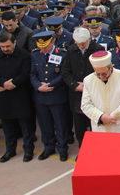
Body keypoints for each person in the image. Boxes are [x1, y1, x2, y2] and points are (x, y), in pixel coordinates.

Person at [0, 31, 34, 162]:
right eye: (2, 47)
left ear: (14, 43)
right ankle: (10, 150)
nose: (5, 49)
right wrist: (2, 83)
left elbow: (25, 73)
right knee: (8, 128)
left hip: (20, 95)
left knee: (26, 127)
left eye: (8, 46)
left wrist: (13, 83)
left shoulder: (24, 55)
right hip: (3, 97)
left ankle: (28, 151)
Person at [30, 31, 70, 161]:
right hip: (41, 96)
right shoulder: (35, 54)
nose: (43, 49)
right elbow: (32, 74)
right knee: (45, 124)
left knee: (60, 124)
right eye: (40, 46)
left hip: (57, 95)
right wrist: (38, 86)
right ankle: (48, 147)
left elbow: (64, 74)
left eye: (45, 46)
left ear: (52, 41)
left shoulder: (62, 53)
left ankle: (62, 148)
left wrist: (51, 84)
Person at [61, 27, 102, 146]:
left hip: (95, 93)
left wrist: (90, 85)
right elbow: (65, 72)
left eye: (84, 43)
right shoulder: (71, 50)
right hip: (77, 94)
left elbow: (103, 71)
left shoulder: (98, 49)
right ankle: (83, 149)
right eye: (79, 44)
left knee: (96, 124)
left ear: (89, 39)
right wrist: (74, 85)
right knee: (80, 127)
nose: (82, 46)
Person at [81, 50, 120, 133]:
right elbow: (85, 105)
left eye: (104, 74)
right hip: (100, 128)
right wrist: (100, 116)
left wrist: (112, 117)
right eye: (98, 74)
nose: (101, 77)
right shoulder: (88, 80)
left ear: (111, 67)